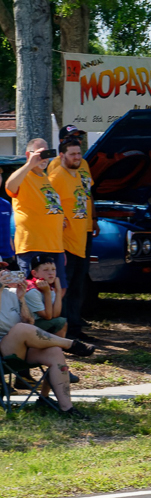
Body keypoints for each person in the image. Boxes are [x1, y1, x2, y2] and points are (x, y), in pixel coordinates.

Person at [0, 271, 93, 418]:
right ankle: (70, 344)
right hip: (3, 351)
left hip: (22, 348)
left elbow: (30, 322)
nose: (3, 272)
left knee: (54, 351)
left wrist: (21, 299)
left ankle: (67, 408)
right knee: (20, 328)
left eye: (4, 269)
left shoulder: (12, 293)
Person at [47, 127, 95, 340]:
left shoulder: (79, 172)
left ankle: (75, 329)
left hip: (81, 236)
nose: (77, 156)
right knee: (64, 288)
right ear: (62, 153)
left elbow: (87, 196)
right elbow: (49, 205)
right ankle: (63, 333)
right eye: (72, 152)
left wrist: (93, 219)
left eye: (79, 152)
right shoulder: (56, 174)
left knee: (77, 286)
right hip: (65, 241)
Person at [4, 138, 66, 277]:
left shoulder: (46, 178)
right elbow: (10, 186)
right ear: (29, 154)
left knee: (59, 287)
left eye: (47, 153)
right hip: (32, 247)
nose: (44, 158)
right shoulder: (24, 176)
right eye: (40, 153)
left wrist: (61, 248)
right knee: (32, 288)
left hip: (54, 247)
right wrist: (29, 164)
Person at [25, 258, 66, 335]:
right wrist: (47, 292)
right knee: (61, 322)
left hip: (38, 321)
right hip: (26, 325)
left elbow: (56, 314)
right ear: (34, 273)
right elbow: (48, 316)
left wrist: (58, 290)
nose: (51, 273)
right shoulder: (32, 290)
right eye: (46, 270)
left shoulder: (47, 285)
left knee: (61, 321)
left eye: (53, 269)